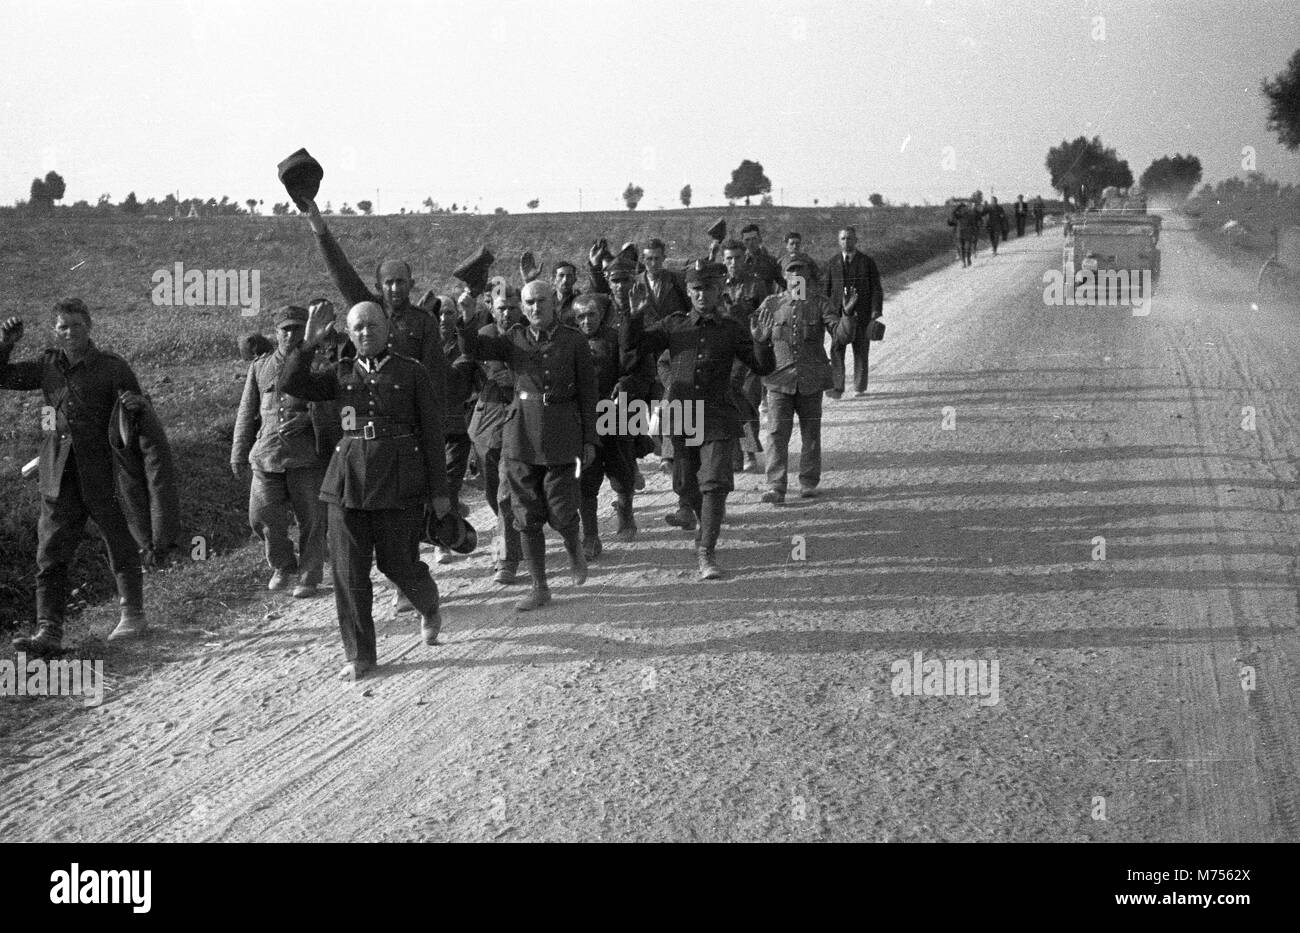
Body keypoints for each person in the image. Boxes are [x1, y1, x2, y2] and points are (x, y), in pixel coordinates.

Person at [280, 301, 451, 681]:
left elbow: (433, 433)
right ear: (349, 333)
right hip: (347, 483)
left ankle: (428, 603)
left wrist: (439, 491)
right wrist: (307, 342)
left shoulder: (412, 373)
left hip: (397, 482)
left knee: (399, 564)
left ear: (388, 328)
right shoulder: (338, 374)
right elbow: (291, 383)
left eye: (372, 325)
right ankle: (360, 655)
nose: (365, 333)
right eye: (357, 327)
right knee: (347, 572)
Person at [1, 300, 149, 655]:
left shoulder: (112, 368)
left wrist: (136, 408)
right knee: (49, 552)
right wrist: (6, 343)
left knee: (119, 541)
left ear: (90, 326)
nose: (69, 332)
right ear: (55, 330)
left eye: (76, 325)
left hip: (103, 473)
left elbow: (140, 412)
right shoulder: (47, 366)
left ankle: (133, 615)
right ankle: (49, 632)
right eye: (62, 327)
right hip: (58, 475)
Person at [620, 261, 775, 580]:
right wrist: (633, 315)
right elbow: (632, 350)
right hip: (681, 416)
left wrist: (761, 341)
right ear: (689, 292)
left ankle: (706, 551)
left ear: (719, 290)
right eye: (695, 289)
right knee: (684, 484)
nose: (702, 294)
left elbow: (762, 367)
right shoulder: (674, 325)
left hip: (718, 415)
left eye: (707, 288)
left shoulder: (732, 328)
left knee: (715, 483)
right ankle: (691, 511)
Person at [458, 281, 597, 611]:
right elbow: (474, 350)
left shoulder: (573, 340)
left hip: (563, 433)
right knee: (526, 514)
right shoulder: (512, 339)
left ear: (553, 303)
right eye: (530, 302)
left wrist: (590, 437)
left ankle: (573, 546)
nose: (536, 308)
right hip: (520, 435)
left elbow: (589, 394)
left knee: (562, 512)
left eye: (542, 301)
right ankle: (540, 587)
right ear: (523, 306)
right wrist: (466, 317)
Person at [230, 305, 328, 598]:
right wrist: (238, 452)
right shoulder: (260, 367)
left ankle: (309, 575)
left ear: (306, 330)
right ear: (276, 333)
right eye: (285, 329)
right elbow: (246, 412)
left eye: (298, 328)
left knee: (312, 519)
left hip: (306, 456)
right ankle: (284, 565)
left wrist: (310, 418)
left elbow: (340, 407)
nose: (291, 334)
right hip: (267, 453)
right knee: (261, 516)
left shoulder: (320, 365)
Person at [756, 254, 856, 503]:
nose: (796, 276)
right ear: (784, 276)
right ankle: (776, 486)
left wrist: (847, 314)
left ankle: (808, 482)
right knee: (777, 433)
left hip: (811, 380)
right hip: (779, 380)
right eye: (791, 272)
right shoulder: (771, 304)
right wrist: (758, 339)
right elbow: (757, 339)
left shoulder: (820, 303)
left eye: (801, 271)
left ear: (809, 275)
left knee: (811, 433)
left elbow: (841, 336)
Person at [573, 293, 651, 558]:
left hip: (617, 414)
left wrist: (624, 386)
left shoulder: (617, 338)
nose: (586, 321)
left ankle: (626, 512)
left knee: (622, 472)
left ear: (601, 315)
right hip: (585, 421)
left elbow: (638, 371)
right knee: (586, 479)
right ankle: (591, 537)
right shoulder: (570, 343)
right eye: (581, 316)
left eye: (591, 315)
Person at [466, 283, 524, 584]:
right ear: (492, 308)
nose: (506, 313)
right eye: (501, 307)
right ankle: (515, 528)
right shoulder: (484, 336)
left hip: (517, 420)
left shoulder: (528, 337)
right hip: (486, 421)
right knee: (492, 492)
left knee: (504, 492)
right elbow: (470, 368)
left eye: (512, 307)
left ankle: (506, 557)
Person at [720, 238, 769, 473]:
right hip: (726, 355)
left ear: (744, 258)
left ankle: (749, 451)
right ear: (723, 260)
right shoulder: (717, 287)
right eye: (729, 258)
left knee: (748, 399)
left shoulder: (756, 285)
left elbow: (767, 316)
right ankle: (737, 455)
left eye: (737, 258)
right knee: (730, 402)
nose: (733, 263)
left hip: (750, 353)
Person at [436, 298, 477, 563]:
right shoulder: (419, 346)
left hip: (456, 426)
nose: (443, 318)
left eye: (449, 312)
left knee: (448, 482)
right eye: (438, 313)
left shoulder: (462, 347)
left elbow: (455, 381)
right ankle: (454, 512)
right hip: (427, 427)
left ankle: (442, 541)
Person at [824, 226, 884, 398]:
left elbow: (876, 288)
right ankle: (837, 387)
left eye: (849, 238)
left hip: (861, 315)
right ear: (838, 241)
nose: (846, 242)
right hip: (838, 317)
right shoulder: (833, 263)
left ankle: (859, 387)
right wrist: (827, 313)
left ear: (856, 240)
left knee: (860, 350)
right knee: (836, 349)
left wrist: (875, 311)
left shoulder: (867, 262)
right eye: (843, 238)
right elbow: (826, 290)